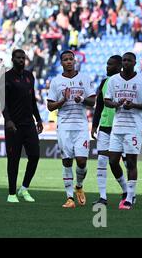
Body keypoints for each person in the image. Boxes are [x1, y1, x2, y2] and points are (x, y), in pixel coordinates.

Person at [104, 52, 142, 210]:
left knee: (131, 163)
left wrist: (134, 105)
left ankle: (130, 198)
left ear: (134, 63)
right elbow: (106, 100)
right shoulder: (113, 80)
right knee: (112, 161)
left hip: (133, 127)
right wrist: (116, 104)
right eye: (124, 60)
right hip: (117, 126)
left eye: (129, 60)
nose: (125, 63)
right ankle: (126, 190)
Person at [47, 50, 96, 208]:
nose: (68, 61)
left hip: (81, 125)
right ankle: (69, 198)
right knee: (67, 161)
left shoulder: (84, 78)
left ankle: (79, 186)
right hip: (64, 126)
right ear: (61, 63)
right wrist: (63, 100)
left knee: (81, 162)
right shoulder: (56, 81)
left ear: (75, 61)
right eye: (65, 59)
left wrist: (81, 99)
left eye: (71, 59)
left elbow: (93, 101)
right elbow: (50, 106)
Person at [0, 49, 43, 203]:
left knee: (35, 155)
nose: (21, 60)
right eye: (18, 58)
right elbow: (3, 104)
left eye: (23, 58)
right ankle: (11, 193)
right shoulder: (6, 77)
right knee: (14, 159)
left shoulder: (29, 76)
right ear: (12, 59)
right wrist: (8, 121)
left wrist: (38, 119)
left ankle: (24, 188)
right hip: (13, 126)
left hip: (28, 124)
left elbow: (32, 100)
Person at [91, 55, 125, 205]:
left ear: (119, 66)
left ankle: (127, 192)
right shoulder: (104, 82)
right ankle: (103, 197)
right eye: (107, 64)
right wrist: (94, 125)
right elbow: (99, 105)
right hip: (105, 126)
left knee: (119, 162)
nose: (107, 67)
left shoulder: (125, 82)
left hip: (122, 127)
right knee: (101, 160)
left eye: (110, 65)